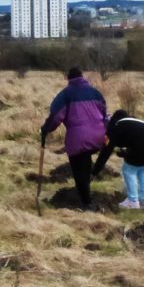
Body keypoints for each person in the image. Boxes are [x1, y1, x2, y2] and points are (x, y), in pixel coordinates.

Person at [40, 67, 108, 210]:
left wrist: (45, 130)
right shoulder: (95, 93)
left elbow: (55, 116)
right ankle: (87, 187)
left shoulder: (66, 94)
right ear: (82, 77)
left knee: (78, 169)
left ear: (68, 79)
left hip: (79, 138)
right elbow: (104, 113)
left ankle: (86, 203)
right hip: (98, 136)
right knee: (86, 158)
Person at [92, 110, 144, 209]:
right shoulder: (134, 122)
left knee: (129, 170)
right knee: (143, 171)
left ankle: (133, 201)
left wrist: (95, 171)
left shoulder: (117, 126)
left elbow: (106, 151)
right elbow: (137, 139)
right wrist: (126, 153)